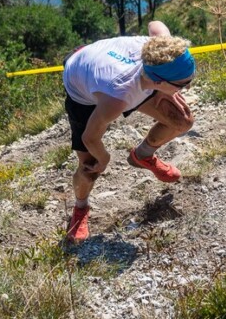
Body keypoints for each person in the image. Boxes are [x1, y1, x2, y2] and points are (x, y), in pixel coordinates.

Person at [62, 21, 195, 243]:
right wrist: (104, 159)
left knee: (182, 121)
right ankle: (80, 207)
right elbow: (90, 137)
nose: (187, 87)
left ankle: (142, 155)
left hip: (119, 71)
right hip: (83, 89)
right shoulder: (117, 96)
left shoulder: (161, 46)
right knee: (89, 167)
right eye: (183, 84)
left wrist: (170, 89)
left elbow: (155, 24)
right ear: (158, 81)